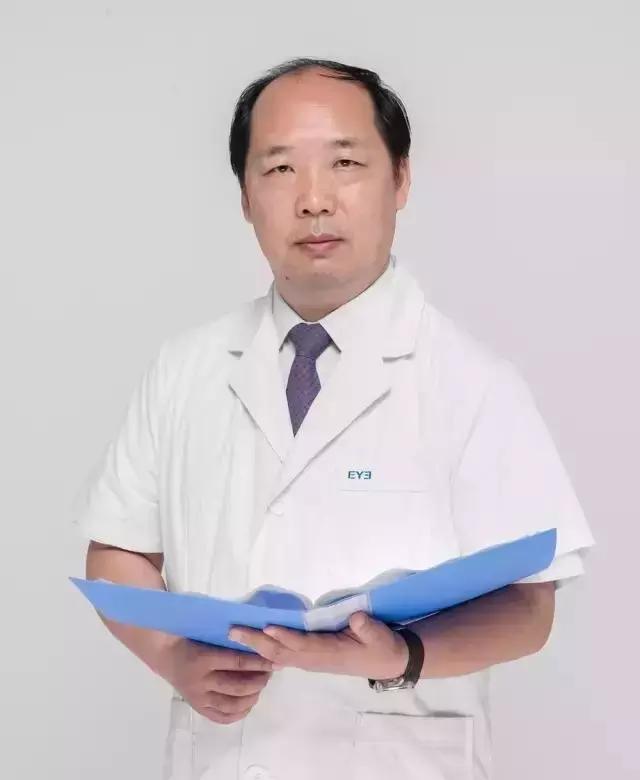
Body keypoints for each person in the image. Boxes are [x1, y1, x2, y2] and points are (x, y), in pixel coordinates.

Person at [72, 58, 595, 780]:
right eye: (280, 169)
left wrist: (403, 656)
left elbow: (531, 609)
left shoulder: (473, 382)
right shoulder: (185, 368)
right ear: (245, 197)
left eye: (345, 163)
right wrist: (174, 658)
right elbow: (118, 551)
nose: (314, 200)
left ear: (400, 180)